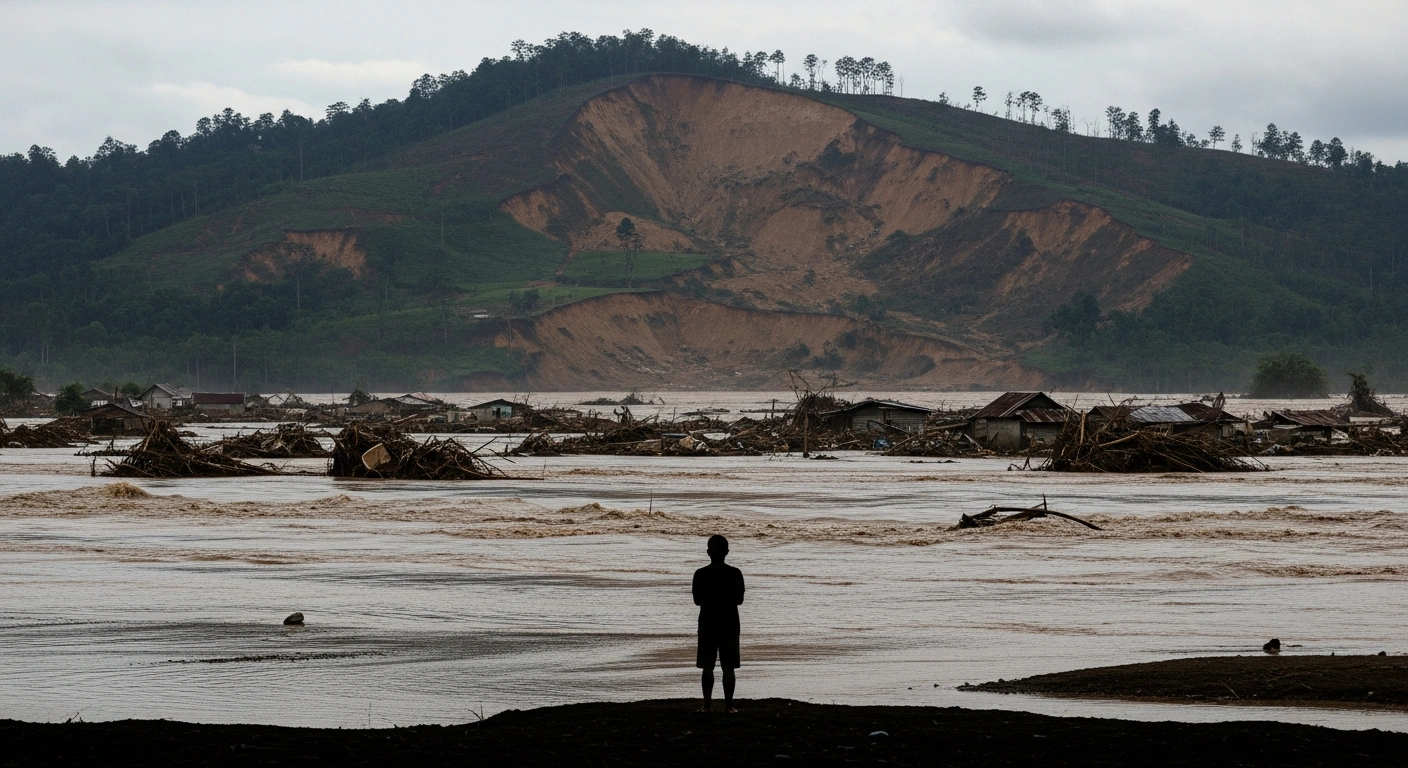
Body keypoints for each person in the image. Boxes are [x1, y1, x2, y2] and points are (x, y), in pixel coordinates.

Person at [692, 534, 744, 712]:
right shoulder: (735, 573)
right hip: (729, 623)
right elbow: (739, 600)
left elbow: (697, 601)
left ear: (708, 552)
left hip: (707, 623)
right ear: (727, 552)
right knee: (728, 667)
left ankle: (707, 706)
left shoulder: (700, 573)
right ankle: (728, 706)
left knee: (707, 666)